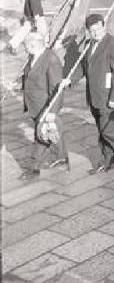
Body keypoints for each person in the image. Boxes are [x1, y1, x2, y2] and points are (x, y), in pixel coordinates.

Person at [63, 14, 114, 174]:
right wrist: (70, 80)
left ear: (104, 27)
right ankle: (107, 160)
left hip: (108, 97)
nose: (95, 32)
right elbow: (84, 67)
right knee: (102, 130)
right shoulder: (91, 44)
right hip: (94, 96)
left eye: (98, 29)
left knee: (107, 129)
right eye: (92, 30)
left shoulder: (113, 44)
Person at [18, 32, 69, 179]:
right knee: (52, 131)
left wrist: (52, 112)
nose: (24, 48)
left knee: (40, 136)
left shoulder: (50, 59)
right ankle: (61, 157)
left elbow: (57, 88)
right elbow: (30, 76)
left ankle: (34, 168)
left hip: (45, 106)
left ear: (32, 44)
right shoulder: (33, 56)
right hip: (35, 105)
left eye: (25, 45)